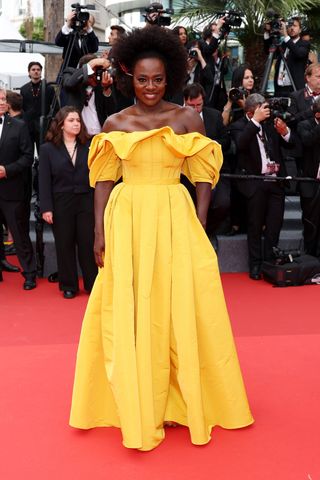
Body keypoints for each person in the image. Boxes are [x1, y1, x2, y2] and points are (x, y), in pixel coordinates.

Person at [69, 26, 253, 451]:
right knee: (134, 309)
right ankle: (138, 399)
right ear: (128, 77)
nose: (150, 87)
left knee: (179, 306)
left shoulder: (187, 118)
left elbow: (204, 175)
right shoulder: (116, 122)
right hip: (129, 217)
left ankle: (181, 399)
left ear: (167, 77)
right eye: (141, 79)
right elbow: (103, 181)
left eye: (157, 79)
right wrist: (99, 231)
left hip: (173, 215)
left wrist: (200, 222)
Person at [229, 93, 295, 280]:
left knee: (275, 225)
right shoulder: (239, 126)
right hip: (255, 183)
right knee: (255, 226)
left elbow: (292, 144)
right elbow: (240, 145)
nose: (267, 112)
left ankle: (269, 263)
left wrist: (285, 132)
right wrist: (255, 122)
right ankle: (256, 265)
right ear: (252, 111)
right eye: (263, 109)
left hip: (275, 181)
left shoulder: (270, 123)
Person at [39, 106, 97, 299]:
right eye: (71, 120)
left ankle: (92, 284)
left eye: (78, 120)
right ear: (61, 124)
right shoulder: (48, 149)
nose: (76, 124)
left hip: (85, 201)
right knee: (64, 245)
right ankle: (68, 285)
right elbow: (44, 180)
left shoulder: (89, 145)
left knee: (87, 244)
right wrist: (46, 207)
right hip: (61, 202)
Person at [183, 82, 231, 247]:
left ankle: (207, 232)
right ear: (184, 102)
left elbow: (226, 141)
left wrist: (208, 145)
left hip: (213, 170)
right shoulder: (176, 117)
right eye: (191, 106)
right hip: (186, 173)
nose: (196, 109)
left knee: (222, 203)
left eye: (199, 105)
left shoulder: (214, 115)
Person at [0, 87, 36, 289]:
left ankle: (29, 273)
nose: (2, 102)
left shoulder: (19, 126)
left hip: (11, 190)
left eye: (4, 99)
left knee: (19, 232)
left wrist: (7, 170)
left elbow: (28, 157)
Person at [62, 54, 116, 136]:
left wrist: (106, 89)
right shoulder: (70, 73)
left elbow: (112, 111)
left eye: (96, 73)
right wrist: (91, 65)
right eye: (91, 74)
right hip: (79, 135)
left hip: (99, 135)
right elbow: (69, 84)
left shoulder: (103, 82)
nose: (94, 77)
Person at [296, 98, 320, 257]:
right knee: (312, 224)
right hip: (311, 182)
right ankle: (311, 259)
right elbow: (308, 141)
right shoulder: (304, 125)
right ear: (317, 114)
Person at [264, 16, 310, 96]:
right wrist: (267, 32)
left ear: (300, 30)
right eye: (290, 26)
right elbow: (268, 51)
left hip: (295, 88)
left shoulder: (304, 44)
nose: (292, 28)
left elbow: (298, 53)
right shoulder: (283, 44)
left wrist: (285, 35)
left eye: (295, 26)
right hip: (280, 88)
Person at [20, 62, 56, 151]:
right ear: (29, 72)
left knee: (43, 152)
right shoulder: (24, 89)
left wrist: (51, 124)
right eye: (33, 69)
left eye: (38, 69)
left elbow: (56, 107)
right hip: (28, 127)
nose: (36, 71)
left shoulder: (49, 88)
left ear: (41, 72)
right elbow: (22, 108)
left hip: (44, 126)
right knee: (28, 152)